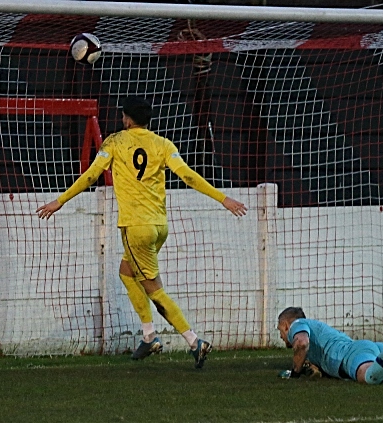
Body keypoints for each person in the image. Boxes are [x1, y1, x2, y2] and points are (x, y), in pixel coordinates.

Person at [36, 96, 247, 369]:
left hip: (135, 227)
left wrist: (60, 200)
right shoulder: (163, 144)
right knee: (126, 272)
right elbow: (188, 175)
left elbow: (91, 175)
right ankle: (149, 336)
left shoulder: (115, 142)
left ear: (127, 119)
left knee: (154, 290)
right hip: (159, 226)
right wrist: (223, 199)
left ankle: (194, 341)